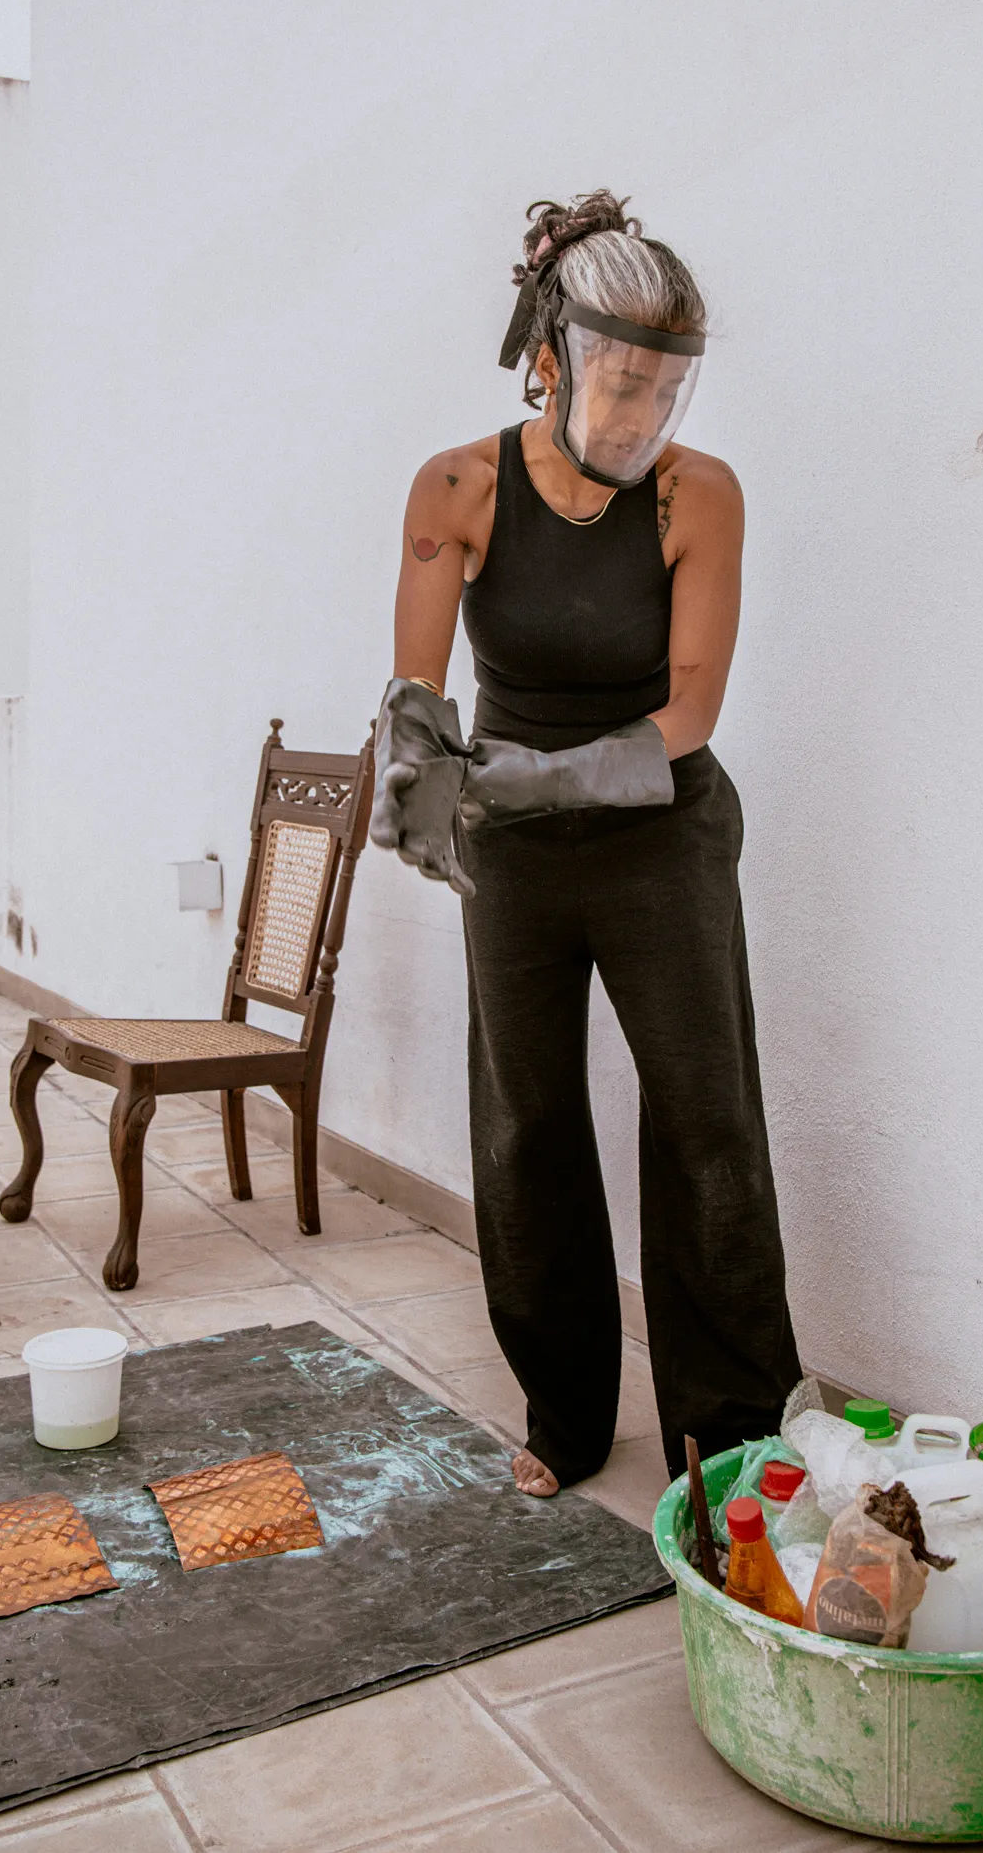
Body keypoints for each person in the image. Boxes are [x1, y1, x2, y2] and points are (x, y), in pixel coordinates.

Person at [373, 190, 800, 1498]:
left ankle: (728, 1436)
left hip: (662, 835)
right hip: (514, 853)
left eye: (666, 391)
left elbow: (690, 713)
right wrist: (418, 783)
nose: (640, 417)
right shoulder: (457, 487)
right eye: (620, 385)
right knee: (527, 1122)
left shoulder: (696, 496)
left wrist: (533, 777)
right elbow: (417, 698)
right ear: (550, 359)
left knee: (706, 1122)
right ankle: (564, 1413)